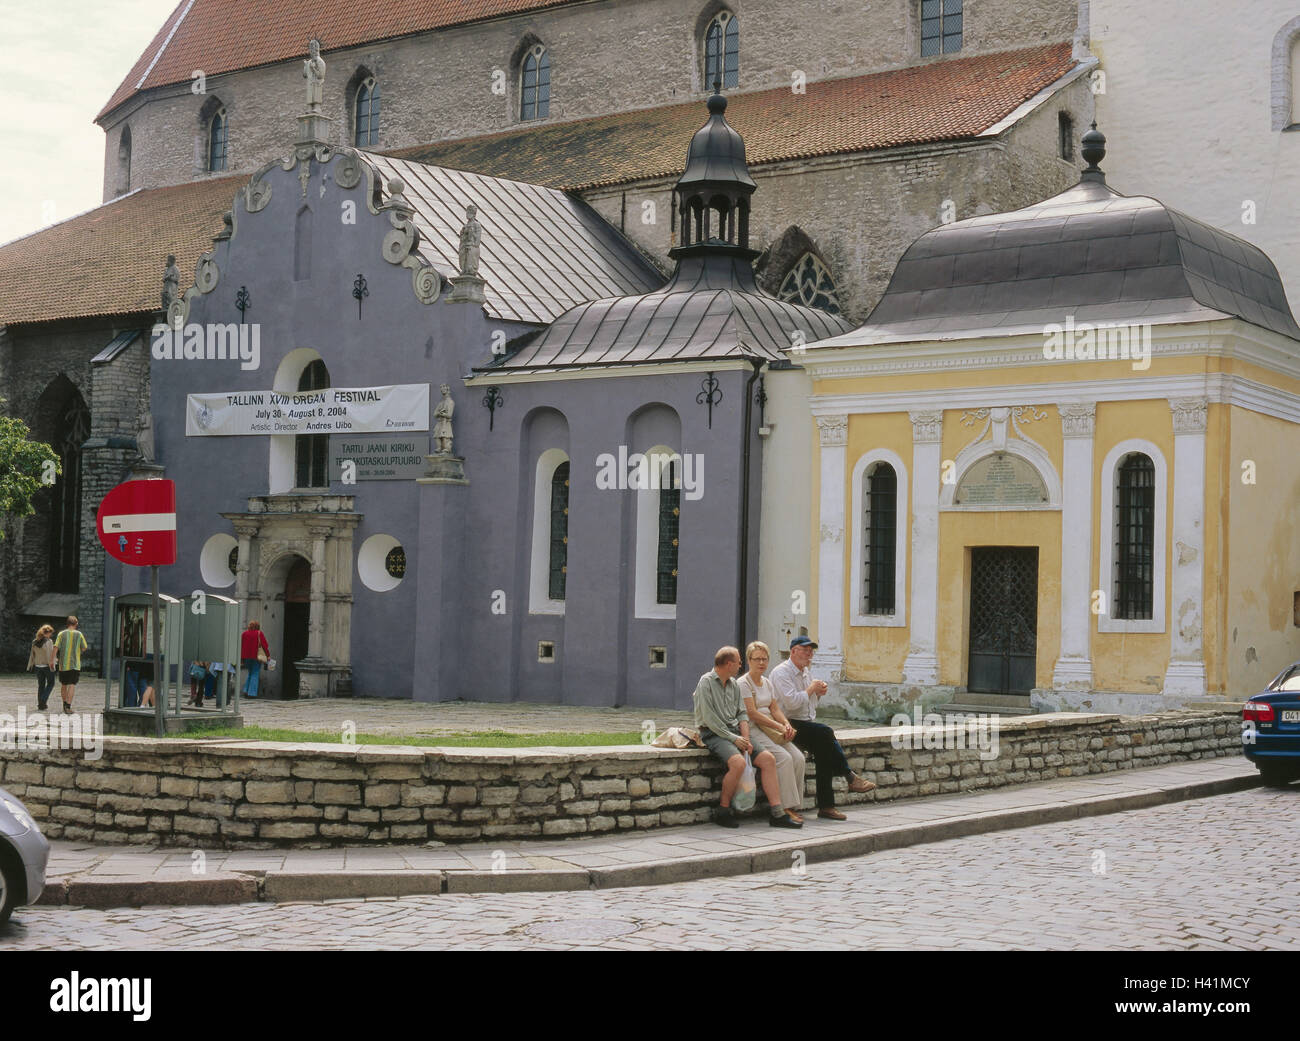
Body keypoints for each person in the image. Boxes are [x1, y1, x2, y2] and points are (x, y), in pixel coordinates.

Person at [692, 646, 801, 830]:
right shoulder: (706, 682)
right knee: (738, 763)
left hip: (735, 731)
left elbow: (742, 714)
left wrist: (745, 738)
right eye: (739, 662)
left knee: (768, 759)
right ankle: (723, 811)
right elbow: (710, 719)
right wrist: (734, 739)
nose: (740, 665)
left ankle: (777, 813)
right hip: (714, 733)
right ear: (729, 664)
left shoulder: (733, 684)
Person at [769, 635, 876, 820]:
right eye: (805, 650)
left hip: (804, 723)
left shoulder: (806, 673)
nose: (809, 655)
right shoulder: (781, 672)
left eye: (811, 651)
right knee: (826, 732)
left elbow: (810, 707)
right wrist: (811, 689)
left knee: (824, 751)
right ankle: (849, 777)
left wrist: (818, 693)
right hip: (785, 723)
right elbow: (792, 704)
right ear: (793, 651)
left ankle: (827, 807)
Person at [737, 641, 806, 824]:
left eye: (764, 659)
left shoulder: (767, 683)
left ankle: (795, 805)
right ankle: (783, 808)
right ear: (749, 660)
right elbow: (752, 713)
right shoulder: (743, 683)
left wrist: (786, 724)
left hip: (771, 727)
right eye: (757, 659)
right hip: (754, 728)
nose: (761, 663)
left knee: (798, 758)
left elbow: (774, 709)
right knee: (784, 758)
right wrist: (779, 727)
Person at [53, 615, 88, 716]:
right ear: (76, 624)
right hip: (74, 664)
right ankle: (68, 706)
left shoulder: (61, 634)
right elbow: (84, 647)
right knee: (72, 684)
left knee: (64, 684)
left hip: (63, 664)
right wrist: (77, 650)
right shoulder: (79, 634)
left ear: (67, 624)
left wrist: (52, 660)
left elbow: (56, 647)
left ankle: (64, 703)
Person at [27, 625, 56, 711]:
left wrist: (30, 665)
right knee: (51, 683)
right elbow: (50, 655)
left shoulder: (34, 642)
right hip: (47, 666)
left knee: (41, 686)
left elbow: (32, 655)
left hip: (38, 666)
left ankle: (41, 705)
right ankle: (43, 699)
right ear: (47, 633)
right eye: (50, 633)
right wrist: (53, 665)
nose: (51, 635)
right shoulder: (49, 641)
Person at [240, 621, 270, 698]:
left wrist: (241, 658)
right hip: (256, 657)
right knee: (255, 673)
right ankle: (251, 693)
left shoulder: (244, 634)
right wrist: (268, 655)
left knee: (250, 673)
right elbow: (264, 645)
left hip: (246, 657)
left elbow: (241, 646)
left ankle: (246, 691)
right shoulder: (259, 633)